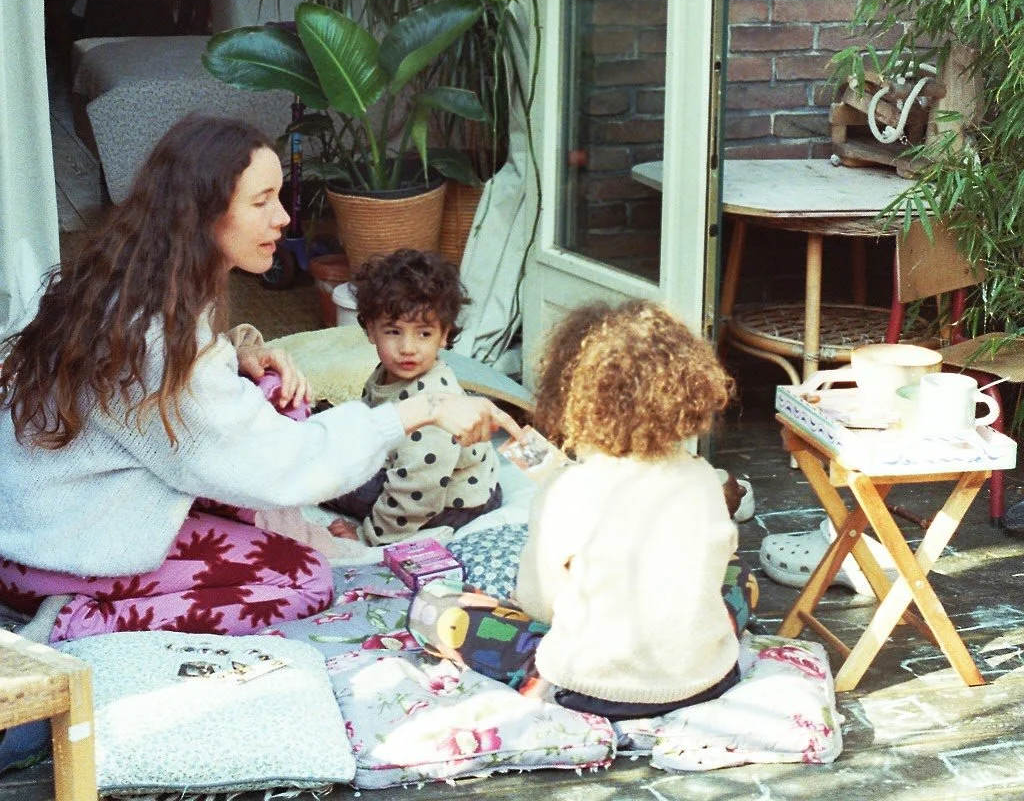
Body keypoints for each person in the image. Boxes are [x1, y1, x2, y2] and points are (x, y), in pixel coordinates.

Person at [0, 115, 514, 645]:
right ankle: (76, 622)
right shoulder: (155, 339)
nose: (284, 218)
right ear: (202, 214)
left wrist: (242, 350)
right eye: (261, 201)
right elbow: (277, 460)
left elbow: (193, 408)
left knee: (277, 396)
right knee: (302, 579)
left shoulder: (139, 290)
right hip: (53, 555)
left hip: (43, 523)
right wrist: (420, 409)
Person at [416, 299, 748, 718]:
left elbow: (541, 605)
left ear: (571, 397)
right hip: (707, 679)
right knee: (737, 574)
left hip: (593, 689)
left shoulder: (569, 491)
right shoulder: (702, 477)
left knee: (437, 608)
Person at [326, 248, 502, 545]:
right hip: (420, 472)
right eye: (393, 332)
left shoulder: (434, 407)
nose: (408, 348)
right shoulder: (388, 372)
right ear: (371, 330)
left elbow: (419, 490)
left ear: (444, 335)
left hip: (453, 501)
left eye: (423, 334)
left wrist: (370, 534)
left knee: (333, 483)